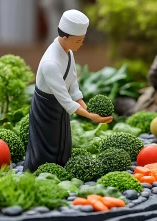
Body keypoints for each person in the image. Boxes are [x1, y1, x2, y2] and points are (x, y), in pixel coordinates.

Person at [24, 9, 112, 173]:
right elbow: (64, 99)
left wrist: (86, 106)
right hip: (46, 106)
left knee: (62, 138)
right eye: (78, 40)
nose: (81, 44)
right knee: (46, 141)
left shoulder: (68, 52)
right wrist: (91, 116)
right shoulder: (50, 63)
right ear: (65, 37)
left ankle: (61, 167)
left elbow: (73, 84)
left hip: (59, 106)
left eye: (82, 40)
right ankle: (38, 172)